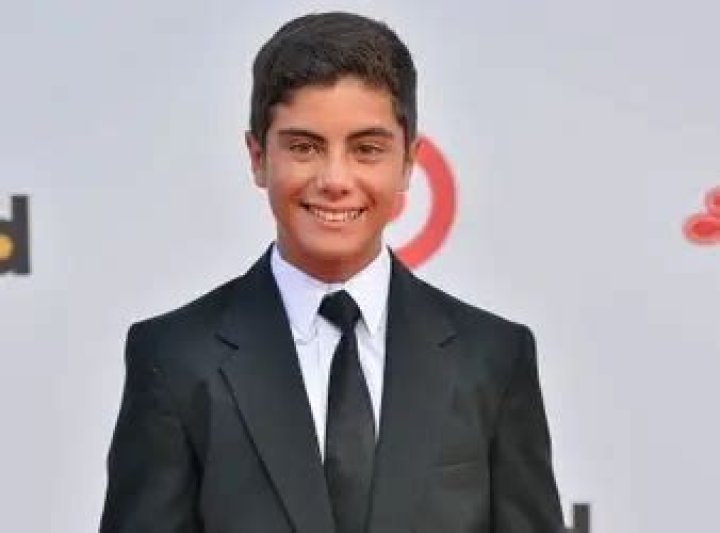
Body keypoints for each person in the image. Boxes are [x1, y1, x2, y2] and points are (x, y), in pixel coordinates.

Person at [100, 11, 564, 533]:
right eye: (304, 147)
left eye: (367, 149)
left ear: (408, 161)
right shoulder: (175, 358)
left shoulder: (492, 357)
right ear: (257, 157)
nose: (335, 179)